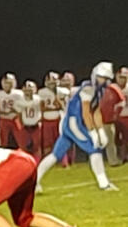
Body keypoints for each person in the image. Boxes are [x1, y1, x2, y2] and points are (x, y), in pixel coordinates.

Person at [35, 61, 118, 191]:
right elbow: (86, 112)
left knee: (56, 154)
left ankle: (34, 181)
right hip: (74, 123)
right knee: (94, 149)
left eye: (106, 78)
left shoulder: (99, 90)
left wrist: (101, 130)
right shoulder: (88, 88)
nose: (103, 81)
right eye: (102, 77)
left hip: (73, 122)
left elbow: (95, 111)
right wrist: (92, 132)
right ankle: (104, 183)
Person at [38, 71, 66, 160]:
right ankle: (48, 161)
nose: (51, 82)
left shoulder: (63, 91)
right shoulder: (42, 92)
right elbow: (42, 108)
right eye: (49, 80)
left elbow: (63, 107)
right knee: (47, 143)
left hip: (59, 118)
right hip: (47, 119)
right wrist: (55, 108)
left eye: (54, 80)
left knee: (61, 141)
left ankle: (64, 162)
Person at [0, 73, 24, 149]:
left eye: (9, 83)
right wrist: (5, 112)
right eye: (5, 83)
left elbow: (22, 109)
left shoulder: (19, 94)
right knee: (3, 142)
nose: (7, 85)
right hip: (4, 119)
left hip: (16, 118)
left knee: (21, 140)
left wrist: (15, 111)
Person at [15, 81, 43, 159]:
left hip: (36, 125)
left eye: (30, 88)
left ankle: (36, 164)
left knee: (36, 147)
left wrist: (40, 120)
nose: (28, 91)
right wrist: (21, 125)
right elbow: (19, 114)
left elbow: (42, 110)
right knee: (24, 147)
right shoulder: (19, 101)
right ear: (23, 89)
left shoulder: (38, 99)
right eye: (26, 89)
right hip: (25, 126)